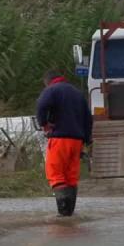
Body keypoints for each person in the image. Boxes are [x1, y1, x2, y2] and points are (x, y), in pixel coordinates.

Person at [36, 69, 92, 217]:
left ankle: (63, 213)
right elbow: (88, 119)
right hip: (77, 141)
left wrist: (44, 124)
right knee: (71, 177)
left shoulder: (52, 90)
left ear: (47, 82)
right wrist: (86, 140)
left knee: (56, 173)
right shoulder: (77, 93)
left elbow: (41, 105)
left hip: (60, 138)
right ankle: (70, 213)